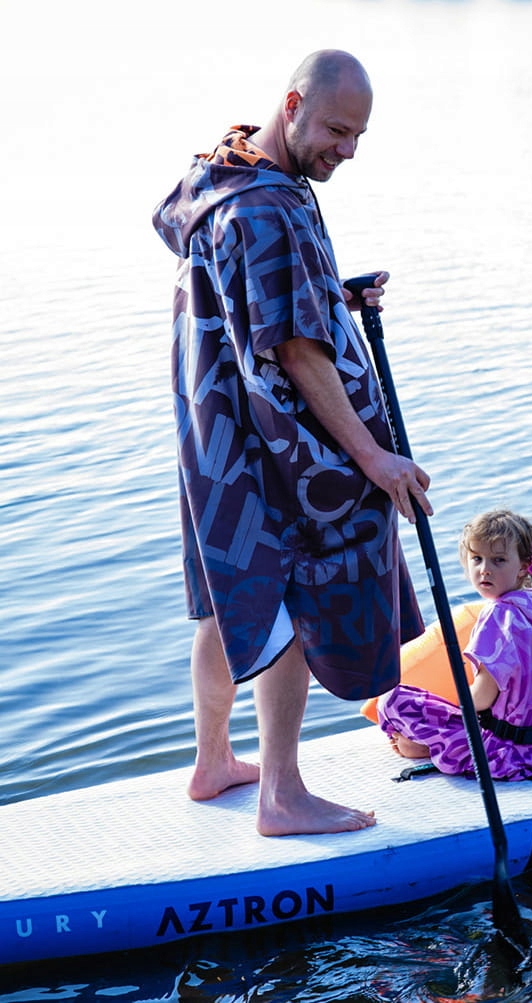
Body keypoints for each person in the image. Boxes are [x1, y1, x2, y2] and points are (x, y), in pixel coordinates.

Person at [152, 50, 432, 837]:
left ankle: (213, 762)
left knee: (224, 593)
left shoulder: (220, 175)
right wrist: (373, 459)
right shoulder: (271, 208)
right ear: (292, 104)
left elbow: (254, 298)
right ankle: (282, 793)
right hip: (275, 443)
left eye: (358, 134)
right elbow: (298, 352)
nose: (346, 149)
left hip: (212, 432)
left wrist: (328, 296)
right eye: (337, 129)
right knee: (292, 589)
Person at [377, 510, 532, 781]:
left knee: (392, 699)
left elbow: (482, 698)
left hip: (499, 750)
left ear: (523, 566)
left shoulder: (497, 618)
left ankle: (427, 747)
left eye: (498, 560)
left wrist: (446, 711)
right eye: (477, 559)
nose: (485, 569)